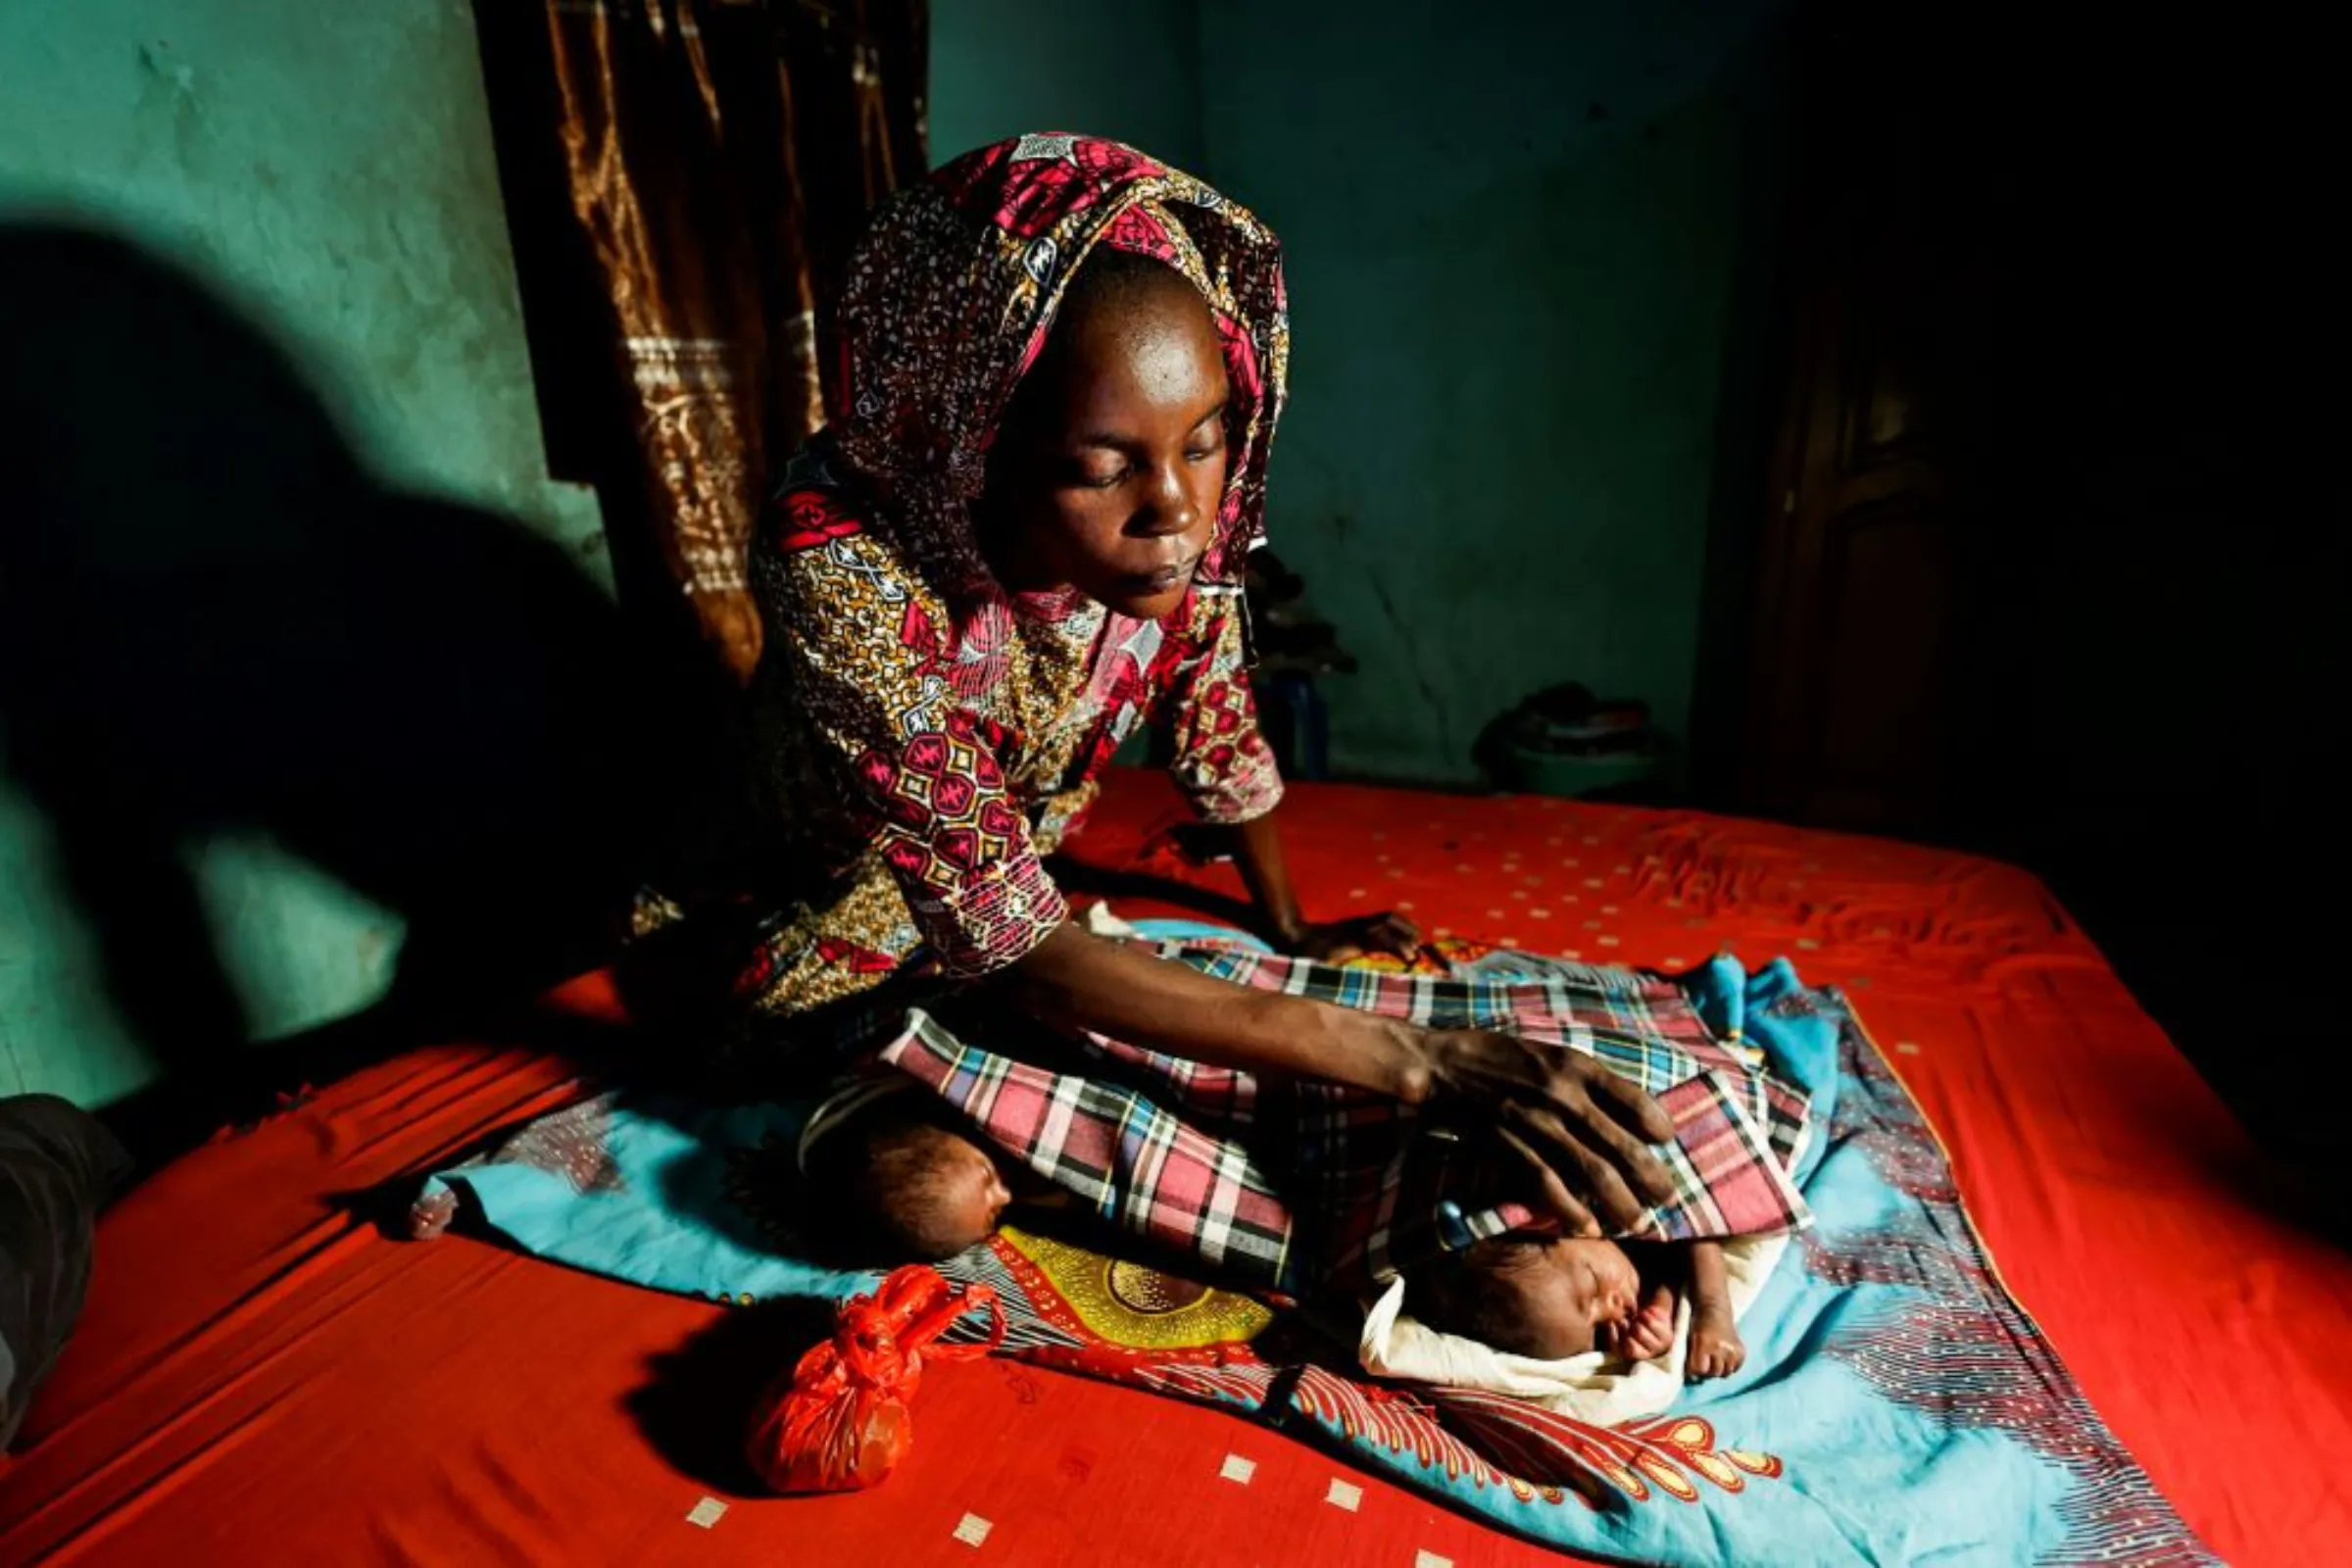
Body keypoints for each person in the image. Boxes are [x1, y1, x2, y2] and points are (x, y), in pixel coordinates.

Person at [643, 133, 1680, 1244]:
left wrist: (1290, 927)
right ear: (975, 445)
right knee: (939, 1193)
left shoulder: (1184, 527)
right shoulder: (841, 559)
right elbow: (1012, 936)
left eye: (1207, 439)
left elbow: (1216, 726)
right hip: (814, 947)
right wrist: (1418, 1059)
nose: (1179, 509)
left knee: (1303, 1102)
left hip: (1018, 932)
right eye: (1103, 469)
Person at [794, 1076, 1746, 1381]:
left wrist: (1708, 1310)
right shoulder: (1041, 1197)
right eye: (985, 1222)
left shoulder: (1581, 1194)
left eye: (988, 1179)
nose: (1007, 1201)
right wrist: (1659, 1318)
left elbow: (1692, 1206)